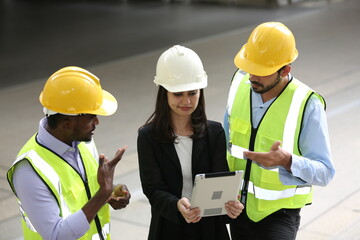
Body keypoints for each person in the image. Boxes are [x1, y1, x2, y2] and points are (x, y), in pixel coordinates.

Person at [224, 22, 336, 239]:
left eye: (261, 71)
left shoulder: (307, 104)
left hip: (280, 215)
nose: (252, 77)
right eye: (250, 68)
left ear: (285, 70)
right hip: (237, 209)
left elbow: (325, 172)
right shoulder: (239, 83)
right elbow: (225, 143)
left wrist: (288, 161)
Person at [7, 66, 131, 240]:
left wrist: (110, 194)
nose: (97, 121)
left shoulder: (81, 142)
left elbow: (78, 193)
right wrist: (103, 193)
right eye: (91, 116)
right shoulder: (29, 170)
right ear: (67, 124)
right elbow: (56, 235)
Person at [137, 45, 244, 240]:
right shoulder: (148, 136)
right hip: (169, 228)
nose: (186, 101)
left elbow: (221, 181)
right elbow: (153, 189)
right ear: (164, 93)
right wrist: (177, 205)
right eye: (178, 94)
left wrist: (231, 205)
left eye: (192, 93)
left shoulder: (215, 132)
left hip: (210, 229)